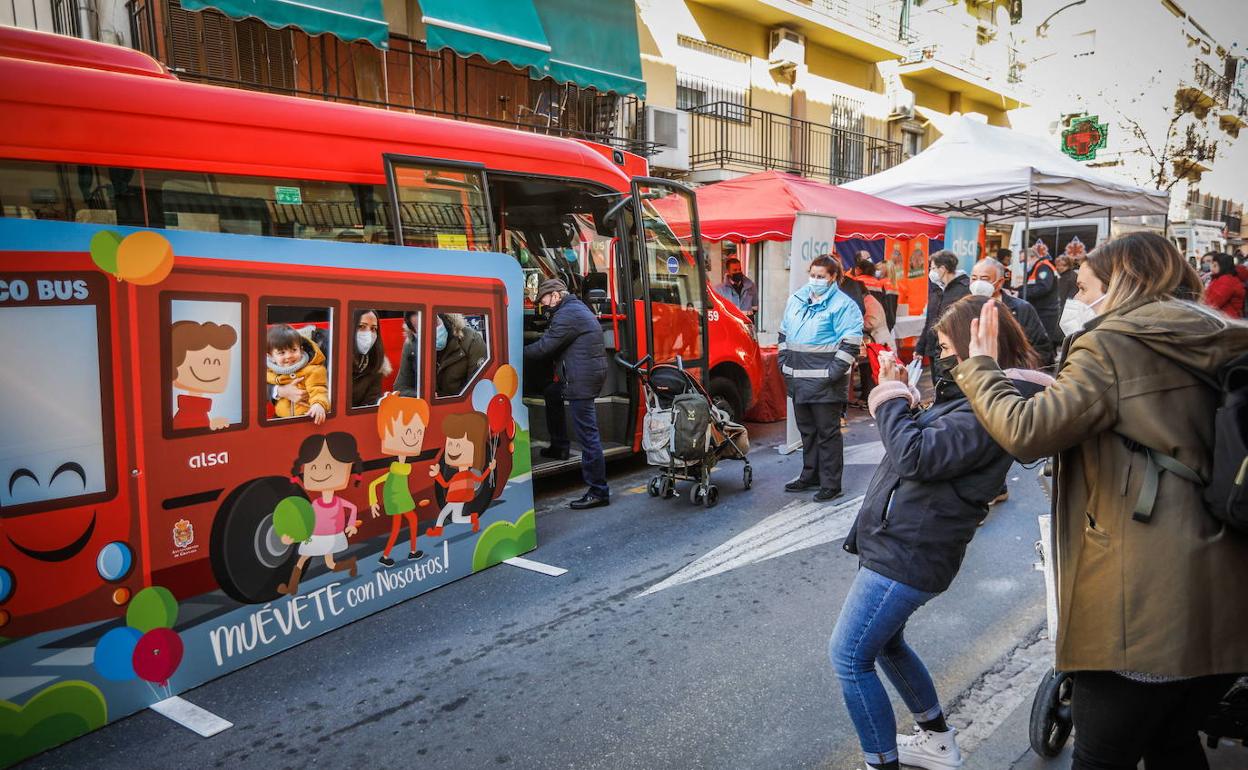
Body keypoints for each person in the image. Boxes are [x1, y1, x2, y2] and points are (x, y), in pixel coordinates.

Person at [957, 232, 1248, 770]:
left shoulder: (1112, 344)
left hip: (1145, 599)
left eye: (1085, 286)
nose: (1076, 297)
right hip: (1224, 590)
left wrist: (980, 368)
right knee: (1173, 743)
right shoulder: (1218, 334)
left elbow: (1026, 431)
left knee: (1101, 756)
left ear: (1122, 285)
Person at [832, 295, 1050, 770]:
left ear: (978, 344)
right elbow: (927, 446)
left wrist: (889, 395)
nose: (943, 357)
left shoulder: (987, 407)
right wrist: (906, 397)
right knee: (885, 644)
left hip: (911, 549)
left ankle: (881, 763)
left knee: (850, 657)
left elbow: (917, 457)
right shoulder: (978, 399)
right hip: (907, 542)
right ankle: (935, 741)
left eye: (949, 347)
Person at [779, 255, 863, 502]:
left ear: (833, 277)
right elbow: (783, 332)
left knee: (827, 434)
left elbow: (851, 344)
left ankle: (830, 483)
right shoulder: (796, 299)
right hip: (798, 379)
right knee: (808, 432)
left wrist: (831, 373)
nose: (815, 280)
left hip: (826, 383)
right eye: (812, 275)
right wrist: (783, 363)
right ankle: (810, 476)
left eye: (821, 276)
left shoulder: (844, 306)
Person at [525, 278, 610, 509]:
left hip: (581, 379)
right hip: (582, 374)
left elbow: (545, 347)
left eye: (545, 300)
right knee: (552, 393)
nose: (545, 305)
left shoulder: (567, 314)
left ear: (556, 295)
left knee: (587, 435)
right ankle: (559, 446)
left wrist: (513, 352)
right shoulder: (573, 307)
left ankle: (598, 490)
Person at [278, 432, 361, 595]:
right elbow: (308, 521)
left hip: (332, 536)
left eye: (328, 467)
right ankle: (292, 587)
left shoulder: (336, 502)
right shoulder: (315, 503)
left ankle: (350, 564)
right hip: (316, 536)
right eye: (313, 467)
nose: (319, 473)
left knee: (328, 564)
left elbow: (353, 508)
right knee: (303, 559)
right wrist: (293, 536)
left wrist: (351, 525)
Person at [368, 393, 428, 567]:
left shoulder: (401, 466)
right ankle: (410, 552)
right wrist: (373, 501)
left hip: (400, 498)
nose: (414, 437)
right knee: (410, 521)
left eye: (418, 432)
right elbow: (375, 483)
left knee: (398, 527)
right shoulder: (396, 468)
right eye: (408, 431)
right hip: (397, 499)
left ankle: (387, 556)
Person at [969, 257, 1054, 366]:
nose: (978, 283)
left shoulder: (1022, 309)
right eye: (974, 278)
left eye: (984, 278)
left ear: (999, 282)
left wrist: (1016, 371)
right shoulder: (962, 308)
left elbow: (1042, 350)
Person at [426, 411, 495, 537]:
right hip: (454, 498)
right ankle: (472, 519)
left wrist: (490, 469)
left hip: (458, 498)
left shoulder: (469, 475)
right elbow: (446, 484)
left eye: (458, 445)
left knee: (443, 515)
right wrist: (437, 475)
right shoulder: (458, 475)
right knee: (456, 518)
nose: (452, 449)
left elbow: (480, 478)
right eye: (450, 444)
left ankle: (438, 530)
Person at [916, 250, 970, 375]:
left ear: (943, 268)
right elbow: (930, 321)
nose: (931, 272)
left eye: (933, 268)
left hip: (952, 352)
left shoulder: (964, 290)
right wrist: (920, 348)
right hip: (934, 350)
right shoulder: (936, 290)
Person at [265, 323, 329, 424]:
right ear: (271, 356)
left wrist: (318, 404)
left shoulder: (313, 370)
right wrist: (278, 391)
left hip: (307, 418)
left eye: (294, 350)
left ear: (301, 349)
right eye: (282, 352)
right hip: (280, 419)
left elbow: (319, 389)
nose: (289, 356)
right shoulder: (270, 372)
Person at [435, 313, 487, 397]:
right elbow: (407, 387)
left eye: (436, 322)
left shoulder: (471, 340)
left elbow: (478, 390)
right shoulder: (413, 343)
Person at [351, 309, 391, 408]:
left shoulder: (375, 363)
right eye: (361, 327)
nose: (368, 334)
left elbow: (370, 402)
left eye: (373, 328)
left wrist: (381, 403)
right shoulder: (327, 357)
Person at [1022, 247, 1062, 343]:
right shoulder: (1037, 268)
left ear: (1032, 257)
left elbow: (1043, 287)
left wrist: (1020, 293)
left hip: (1046, 311)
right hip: (1043, 310)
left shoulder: (1043, 267)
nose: (1022, 264)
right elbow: (1032, 286)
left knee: (1044, 340)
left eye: (1023, 261)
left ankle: (1048, 357)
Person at [1204, 252, 1245, 319]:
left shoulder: (1227, 280)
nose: (1211, 268)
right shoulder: (1219, 278)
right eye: (1212, 264)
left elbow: (1214, 302)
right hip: (1223, 316)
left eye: (1215, 265)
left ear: (1223, 266)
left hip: (1227, 319)